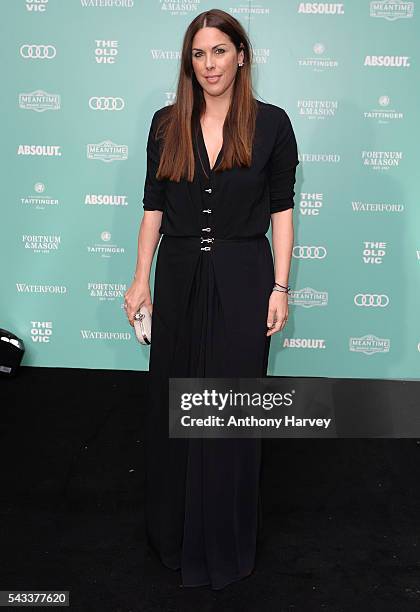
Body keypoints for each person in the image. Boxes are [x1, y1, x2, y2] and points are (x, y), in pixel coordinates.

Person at [123, 8, 299, 590]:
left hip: (244, 275)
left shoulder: (272, 124)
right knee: (175, 405)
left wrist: (280, 285)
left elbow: (281, 210)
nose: (209, 64)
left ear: (241, 56)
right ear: (188, 62)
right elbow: (153, 206)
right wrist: (140, 278)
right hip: (176, 275)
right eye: (198, 54)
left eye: (219, 51)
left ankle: (225, 540)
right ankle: (172, 537)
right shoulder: (165, 122)